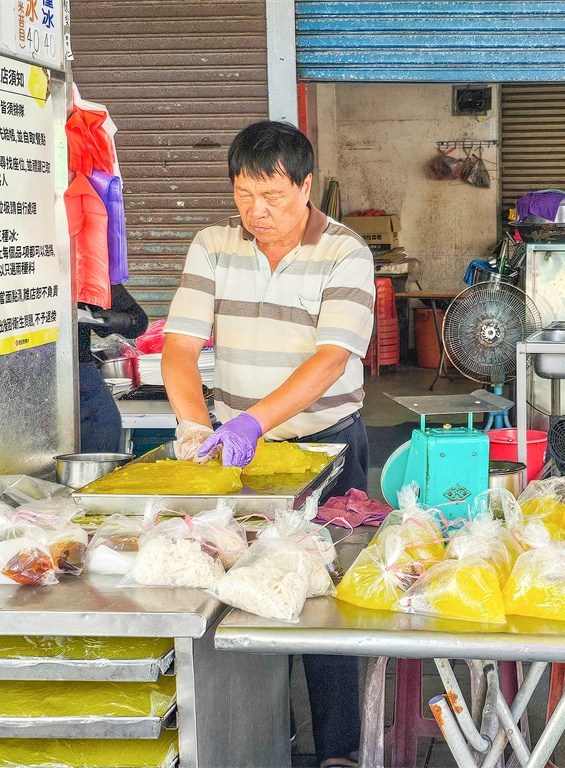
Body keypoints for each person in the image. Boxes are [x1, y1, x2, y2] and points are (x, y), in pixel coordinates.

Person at [161, 120, 375, 768]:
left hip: (324, 447)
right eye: (244, 195)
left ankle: (337, 749)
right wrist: (199, 425)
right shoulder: (213, 245)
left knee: (323, 598)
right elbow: (179, 347)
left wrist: (255, 419)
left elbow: (331, 360)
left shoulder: (344, 251)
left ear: (305, 187)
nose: (258, 211)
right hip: (236, 458)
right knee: (244, 590)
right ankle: (261, 739)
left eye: (274, 196)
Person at [78, 283, 149, 453]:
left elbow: (137, 320)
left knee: (104, 427)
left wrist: (117, 320)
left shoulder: (81, 266)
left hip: (80, 372)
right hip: (21, 374)